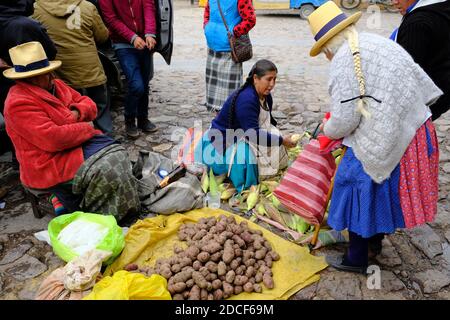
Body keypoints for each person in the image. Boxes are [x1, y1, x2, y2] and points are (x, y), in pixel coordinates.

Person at [306, 2, 442, 273]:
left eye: (324, 51)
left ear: (328, 45)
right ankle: (372, 243)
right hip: (414, 125)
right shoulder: (370, 41)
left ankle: (356, 258)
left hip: (396, 130)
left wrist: (326, 129)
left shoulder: (344, 59)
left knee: (354, 181)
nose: (326, 57)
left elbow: (345, 118)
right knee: (380, 188)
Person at [3, 42, 140, 221]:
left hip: (74, 145)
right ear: (31, 78)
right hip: (47, 163)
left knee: (119, 154)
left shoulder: (57, 85)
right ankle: (99, 216)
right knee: (108, 167)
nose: (51, 75)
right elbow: (53, 139)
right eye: (45, 74)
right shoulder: (18, 102)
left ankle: (119, 207)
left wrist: (73, 115)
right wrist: (87, 127)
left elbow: (90, 105)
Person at [195, 59, 297, 192]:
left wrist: (278, 137)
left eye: (275, 79)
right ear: (255, 78)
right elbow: (253, 135)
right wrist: (281, 140)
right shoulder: (246, 99)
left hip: (246, 132)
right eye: (269, 79)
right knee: (246, 157)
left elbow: (267, 121)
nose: (272, 84)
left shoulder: (266, 96)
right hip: (224, 140)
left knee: (275, 137)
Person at [33, 0, 114, 135]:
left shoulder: (36, 10)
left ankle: (81, 146)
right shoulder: (87, 7)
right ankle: (109, 143)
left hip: (62, 73)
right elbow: (102, 36)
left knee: (70, 114)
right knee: (100, 107)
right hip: (91, 70)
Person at [0, 0, 57, 162]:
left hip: (4, 86)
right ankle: (39, 162)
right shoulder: (27, 25)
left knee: (14, 124)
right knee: (38, 122)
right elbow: (50, 52)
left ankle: (19, 159)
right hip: (32, 82)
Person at [99, 0, 158, 139]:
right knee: (136, 85)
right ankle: (130, 120)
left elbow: (149, 7)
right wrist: (132, 37)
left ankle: (143, 119)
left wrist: (150, 32)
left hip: (144, 41)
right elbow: (111, 19)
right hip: (123, 43)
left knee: (145, 83)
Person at [391, 0, 450, 120]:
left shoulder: (417, 23)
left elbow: (406, 77)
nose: (394, 2)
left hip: (424, 104)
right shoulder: (441, 7)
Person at [203, 0, 256, 112]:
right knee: (214, 92)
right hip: (212, 48)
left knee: (229, 94)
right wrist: (207, 27)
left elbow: (250, 20)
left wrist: (234, 32)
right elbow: (208, 12)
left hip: (229, 51)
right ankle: (218, 121)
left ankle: (229, 122)